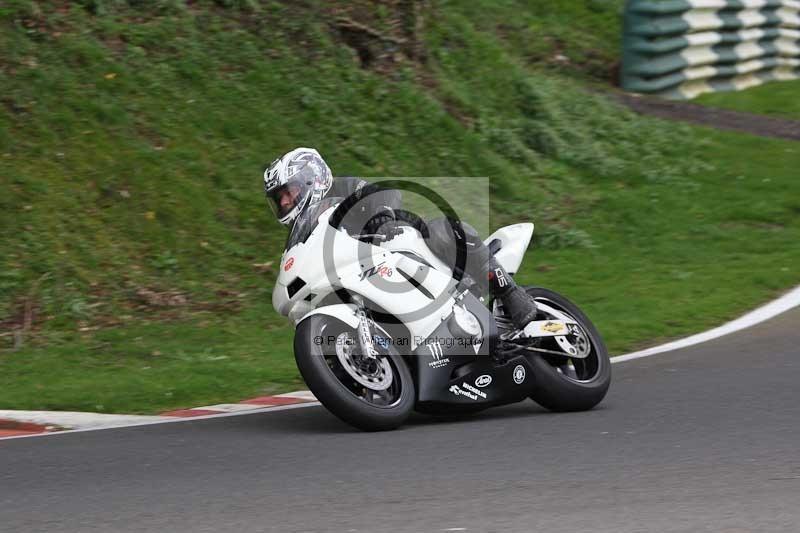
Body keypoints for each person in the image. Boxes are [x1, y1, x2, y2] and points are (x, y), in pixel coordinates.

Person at [263, 147, 538, 329]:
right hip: (360, 276)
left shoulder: (343, 186)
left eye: (289, 191)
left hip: (398, 242)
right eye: (279, 198)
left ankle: (510, 292)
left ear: (312, 177)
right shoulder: (303, 231)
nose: (285, 201)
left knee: (446, 229)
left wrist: (380, 217)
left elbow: (383, 193)